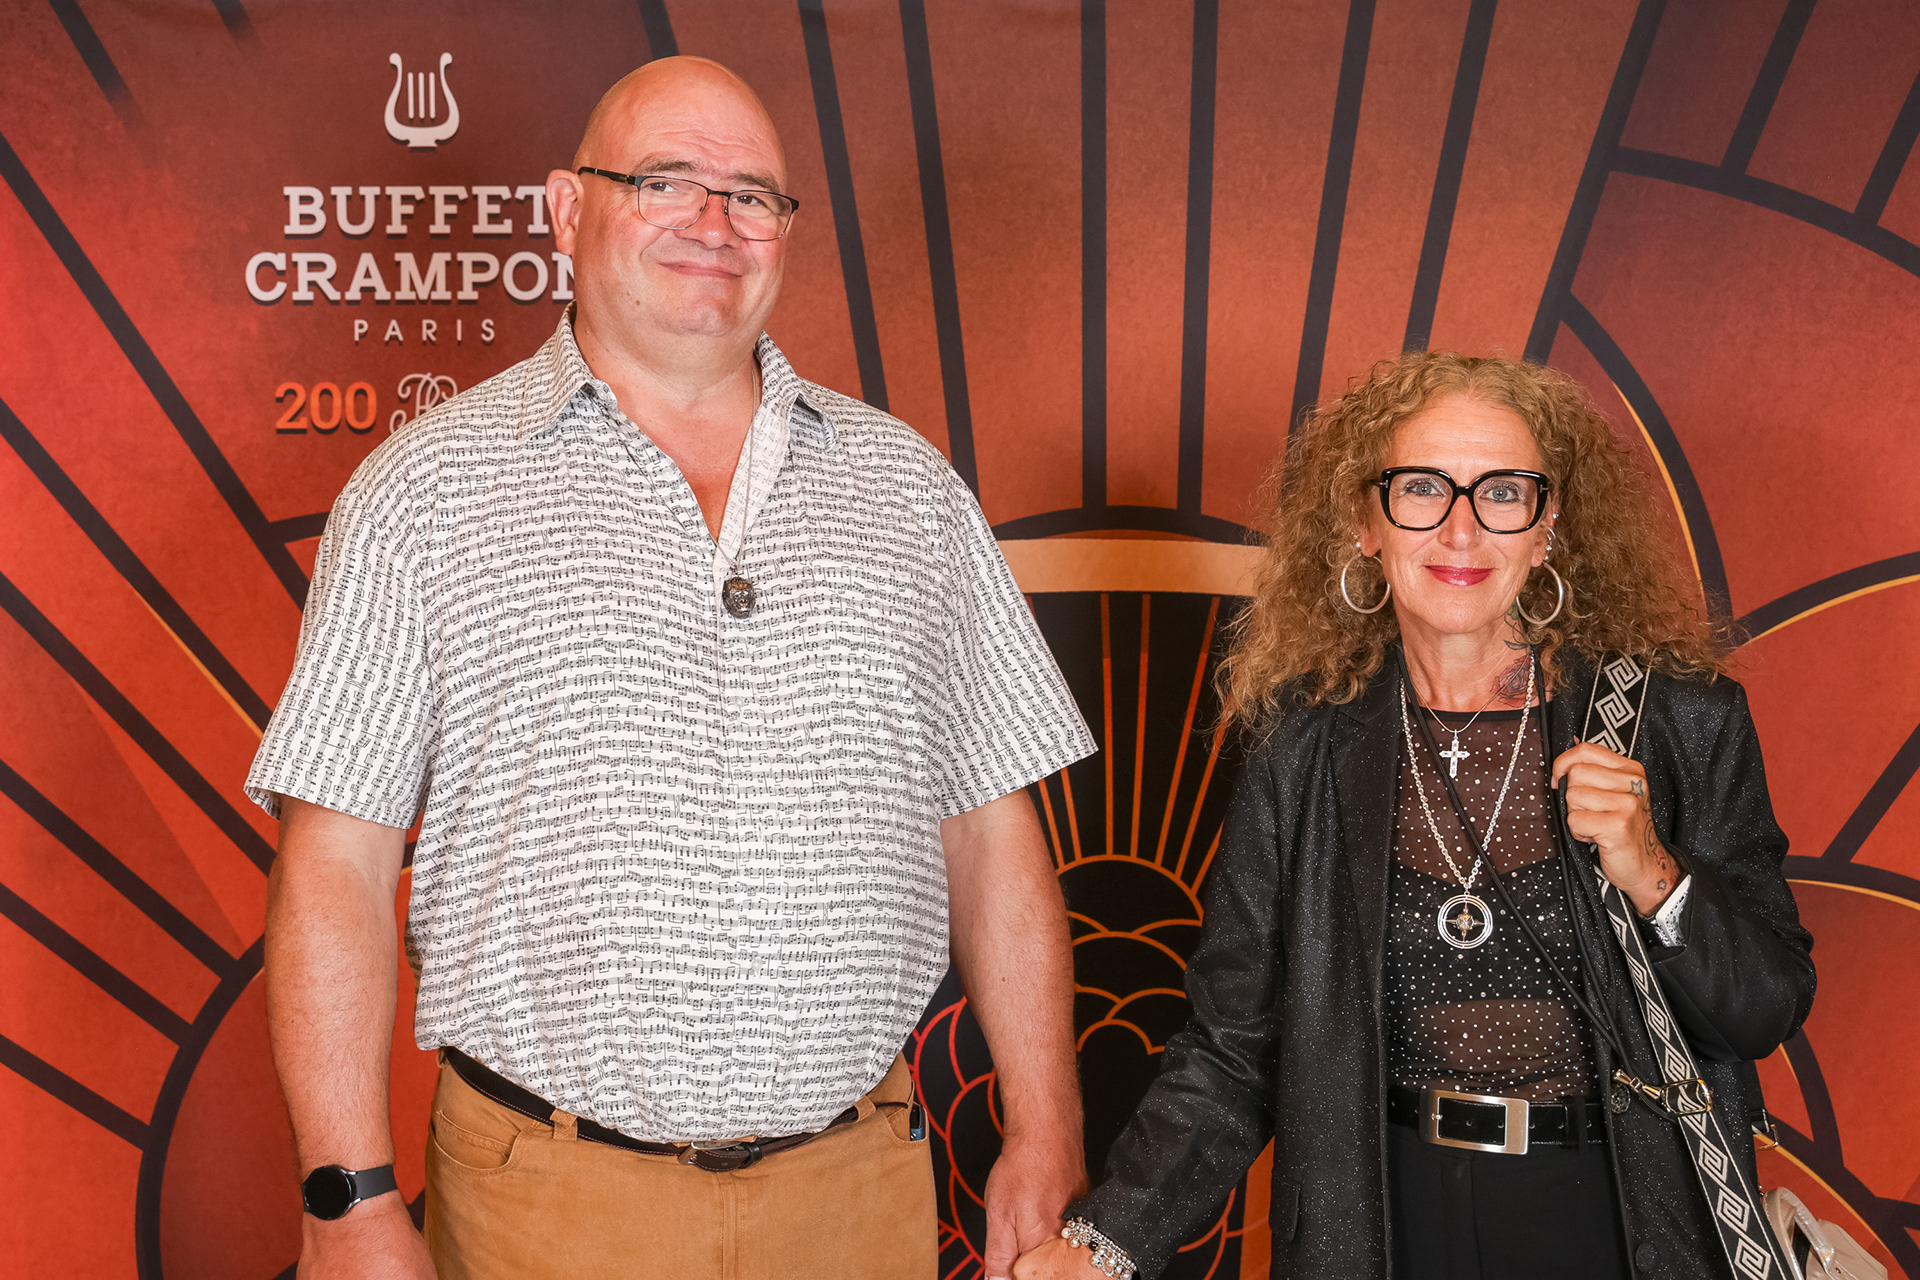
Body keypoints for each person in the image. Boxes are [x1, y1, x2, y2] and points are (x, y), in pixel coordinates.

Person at [249, 57, 1095, 1280]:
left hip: (857, 1192)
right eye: (665, 182)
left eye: (753, 195)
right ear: (566, 210)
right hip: (544, 1202)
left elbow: (991, 831)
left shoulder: (909, 492)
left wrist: (1047, 1123)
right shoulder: (422, 493)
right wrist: (348, 1199)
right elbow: (336, 860)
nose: (715, 222)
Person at [1015, 352, 1814, 1279]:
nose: (1461, 529)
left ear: (1547, 527)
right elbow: (1234, 1050)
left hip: (1618, 1220)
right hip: (1381, 1224)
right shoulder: (1302, 743)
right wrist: (1106, 1246)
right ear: (1366, 522)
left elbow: (1766, 1010)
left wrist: (1654, 875)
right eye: (1423, 489)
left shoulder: (1677, 719)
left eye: (1502, 493)